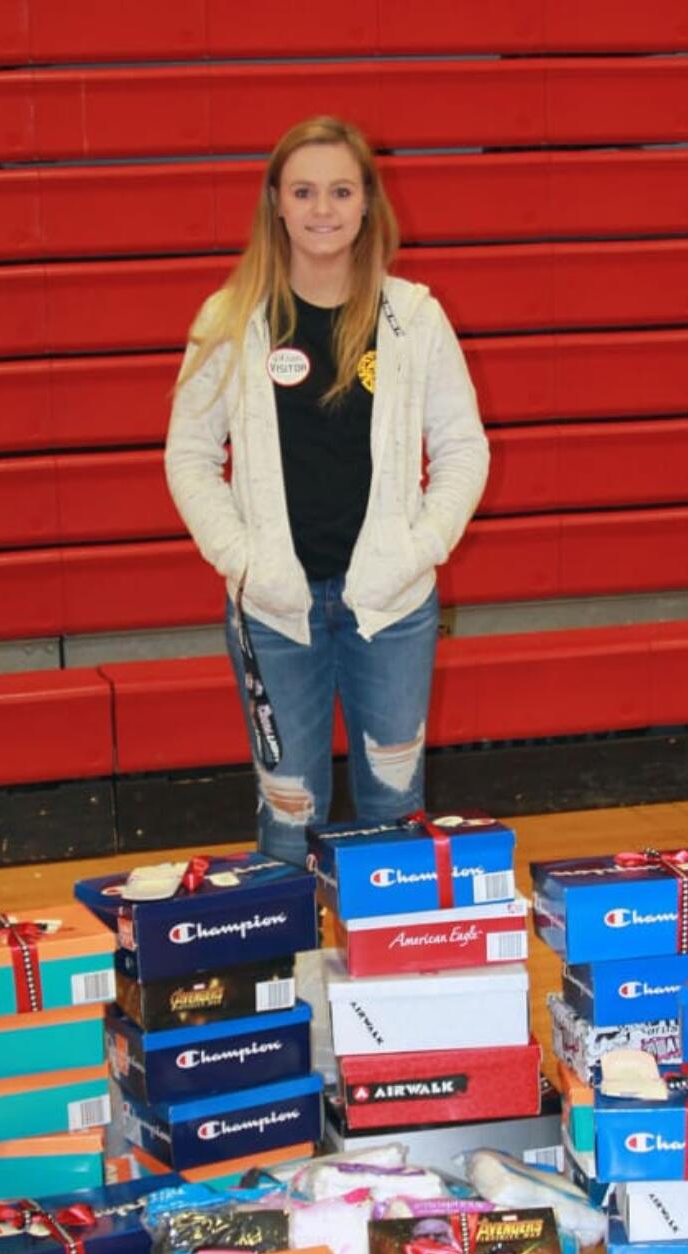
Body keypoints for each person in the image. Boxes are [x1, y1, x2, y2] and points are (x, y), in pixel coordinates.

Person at [164, 115, 489, 867]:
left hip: (393, 611)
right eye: (304, 190)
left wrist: (417, 550)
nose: (322, 208)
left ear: (368, 203)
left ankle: (392, 977)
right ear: (275, 200)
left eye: (341, 191)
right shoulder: (230, 318)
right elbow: (188, 453)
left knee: (395, 814)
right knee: (288, 820)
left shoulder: (414, 318)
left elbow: (464, 448)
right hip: (276, 612)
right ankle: (296, 985)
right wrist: (243, 562)